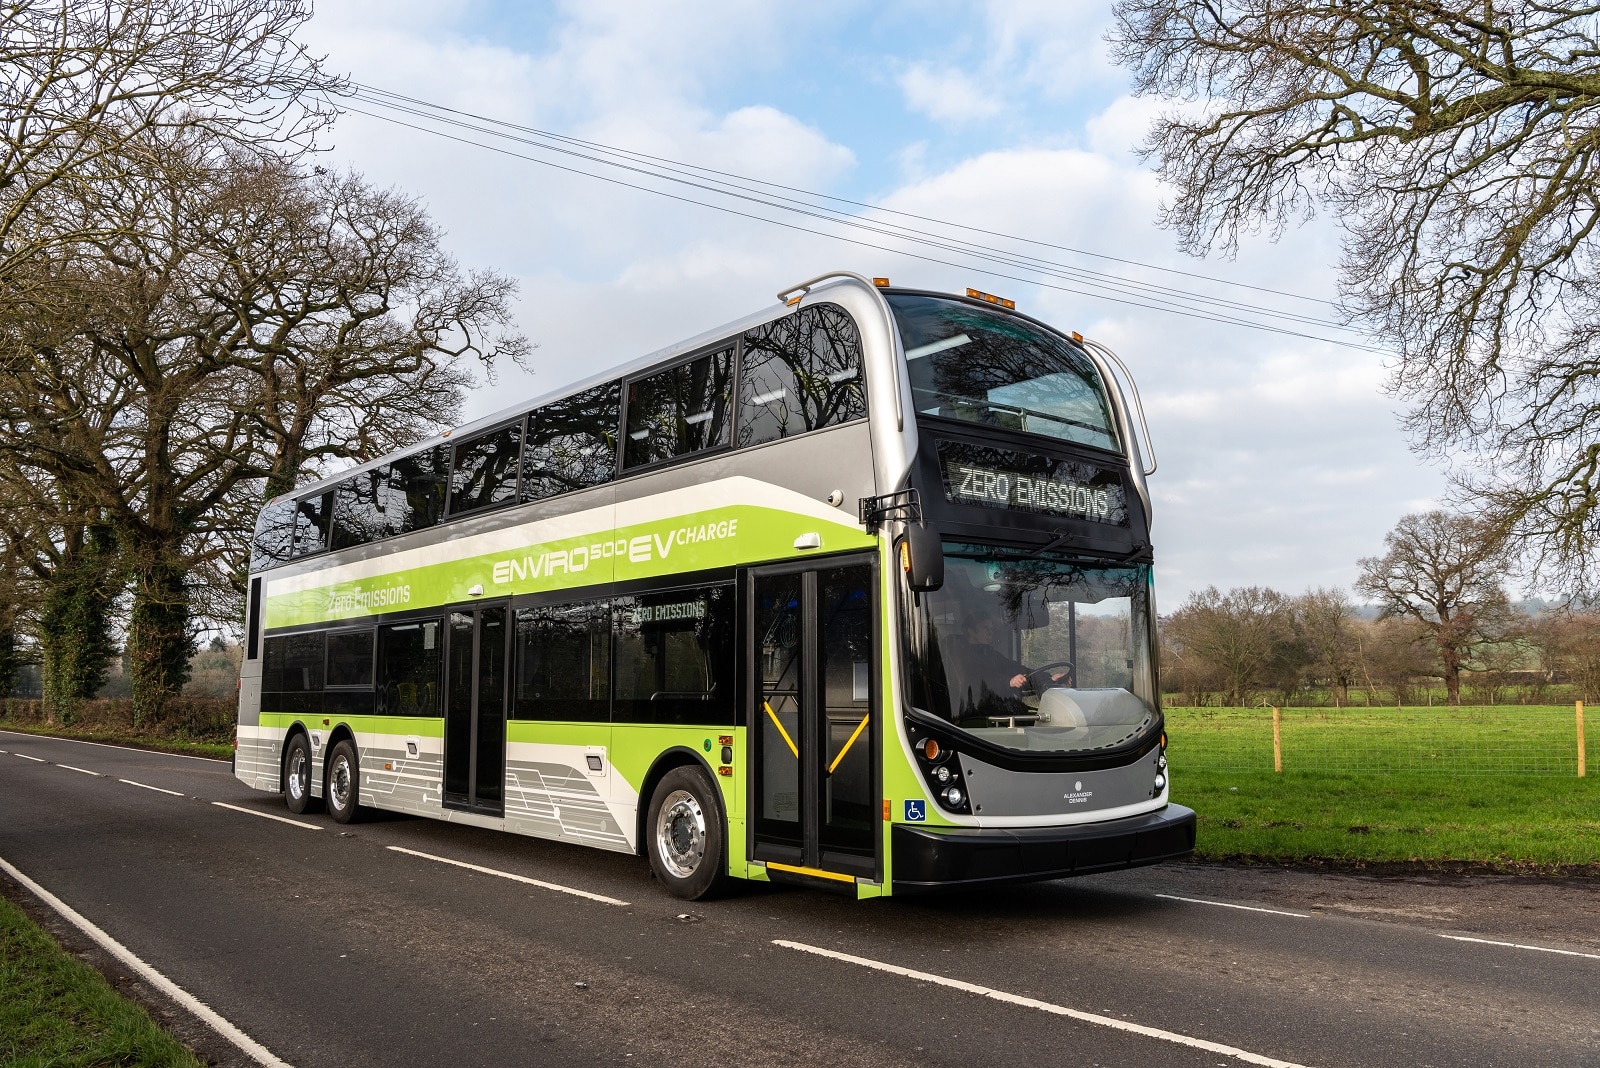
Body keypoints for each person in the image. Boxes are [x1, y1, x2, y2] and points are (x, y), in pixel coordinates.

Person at [942, 612, 1071, 721]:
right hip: (976, 712)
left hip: (999, 706)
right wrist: (1008, 682)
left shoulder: (990, 654)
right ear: (971, 631)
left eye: (991, 629)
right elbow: (978, 677)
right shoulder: (962, 655)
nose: (990, 633)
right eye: (985, 628)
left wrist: (1048, 678)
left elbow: (1017, 670)